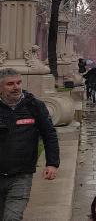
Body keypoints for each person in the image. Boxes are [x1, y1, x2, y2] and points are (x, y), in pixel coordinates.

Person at [0, 69, 59, 221]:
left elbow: (49, 134)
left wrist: (52, 164)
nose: (16, 87)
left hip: (22, 174)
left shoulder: (34, 106)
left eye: (19, 83)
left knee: (12, 217)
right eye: (10, 84)